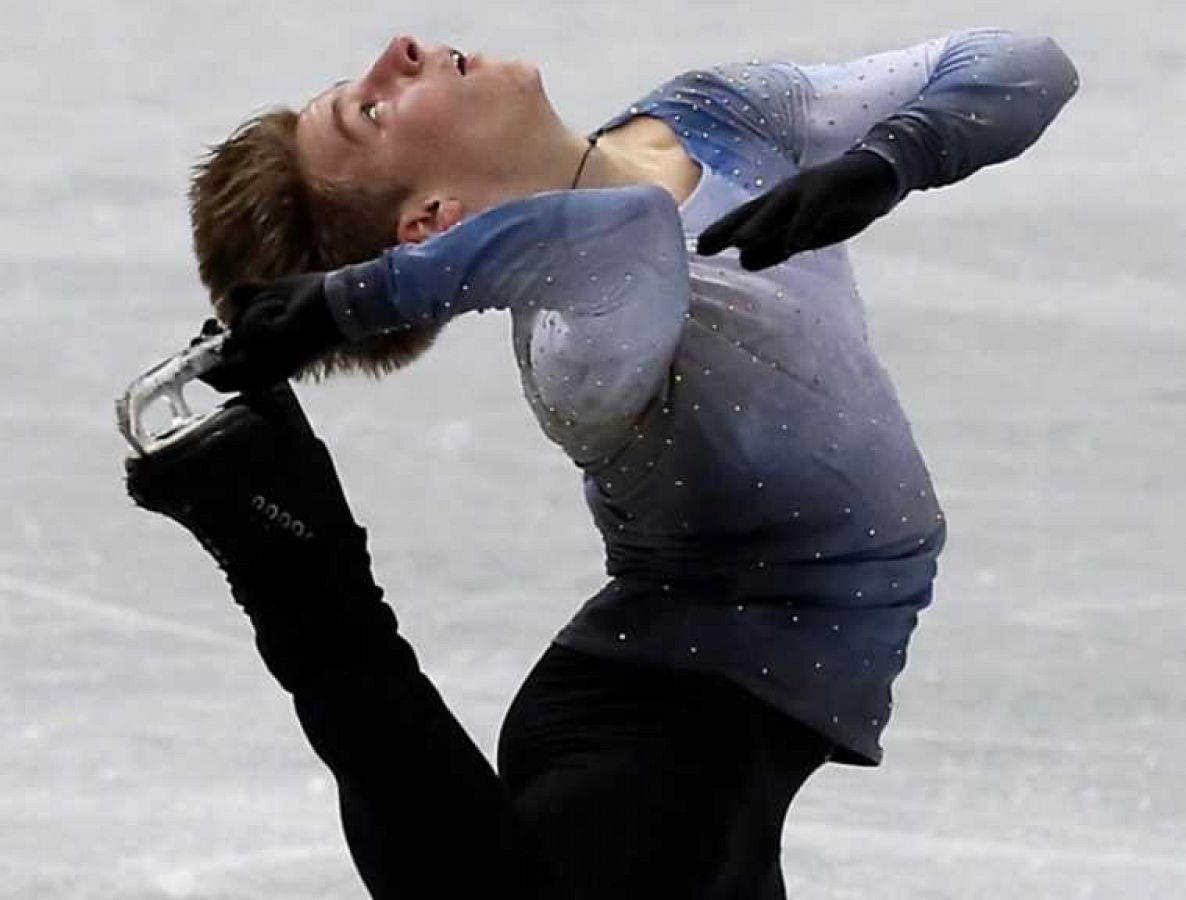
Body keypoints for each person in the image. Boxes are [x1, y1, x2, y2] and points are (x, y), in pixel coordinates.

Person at [129, 26, 1078, 899]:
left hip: (710, 706)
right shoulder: (573, 342)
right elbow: (624, 235)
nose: (399, 49)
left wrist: (892, 157)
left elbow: (1024, 62)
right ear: (430, 222)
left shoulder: (713, 114)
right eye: (370, 113)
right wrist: (357, 299)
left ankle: (301, 580)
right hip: (678, 710)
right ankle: (298, 577)